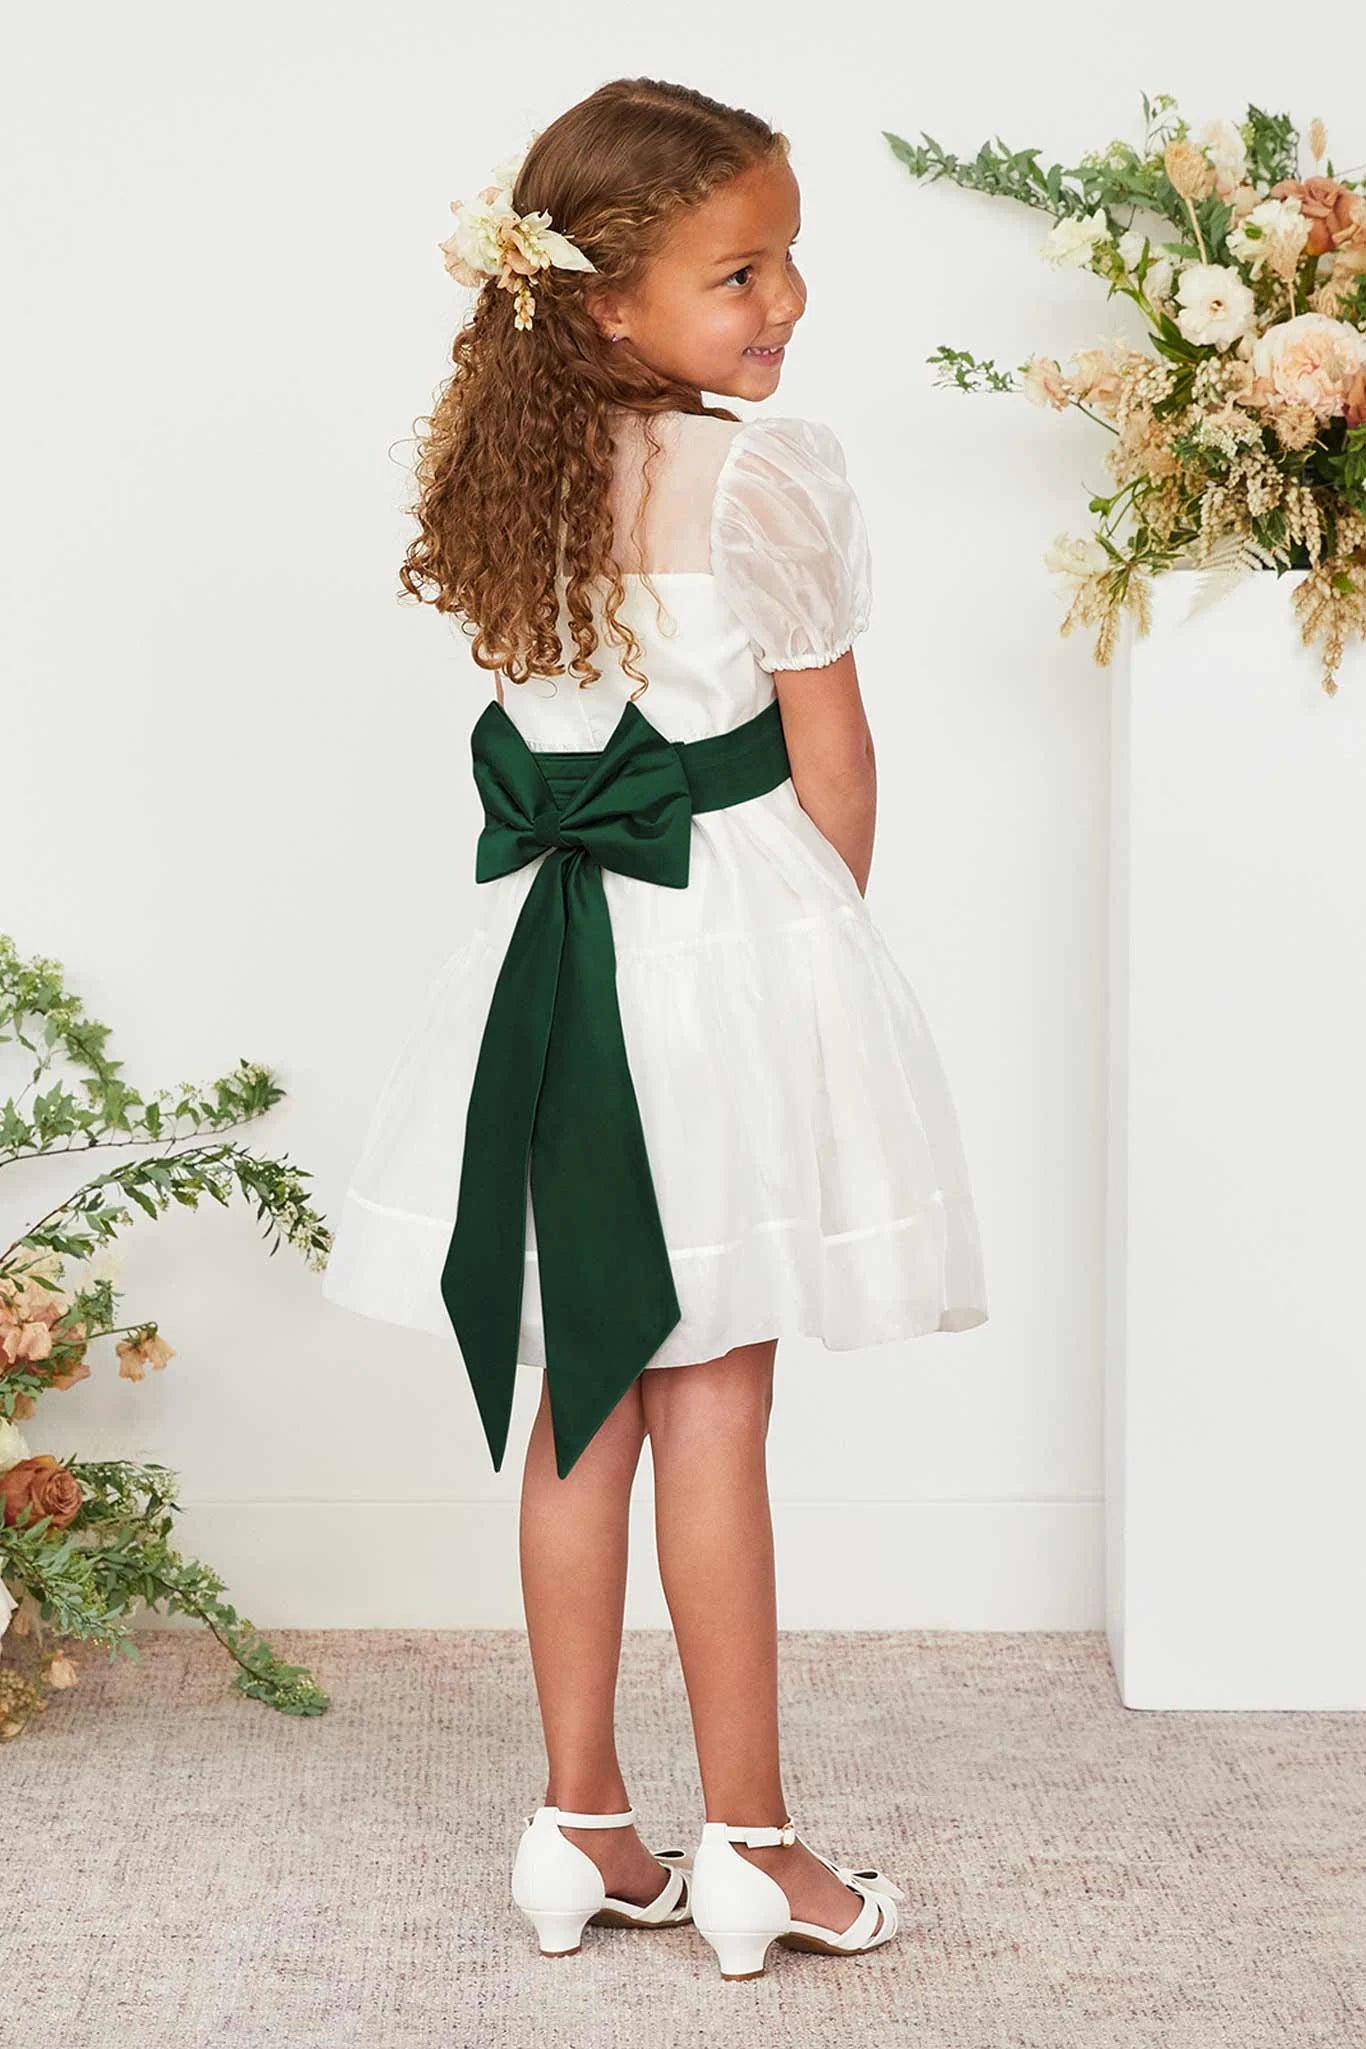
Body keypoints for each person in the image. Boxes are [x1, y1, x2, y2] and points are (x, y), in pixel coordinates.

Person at [322, 76, 988, 1981]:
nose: (786, 302)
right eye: (739, 272)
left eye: (788, 260)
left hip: (545, 960)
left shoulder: (503, 468)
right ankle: (755, 1847)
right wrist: (820, 971)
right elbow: (830, 759)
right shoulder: (764, 477)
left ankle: (581, 1822)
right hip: (723, 955)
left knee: (580, 1395)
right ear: (606, 300)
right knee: (714, 1399)